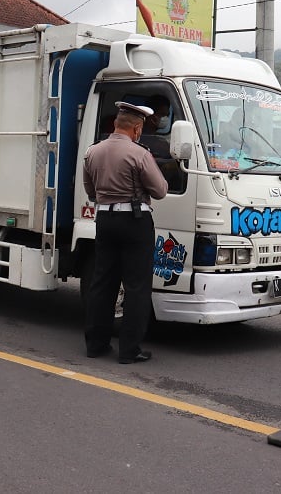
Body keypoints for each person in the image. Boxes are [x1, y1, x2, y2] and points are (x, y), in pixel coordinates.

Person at [83, 101, 169, 364]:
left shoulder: (92, 152)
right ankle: (129, 350)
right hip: (135, 221)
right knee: (136, 287)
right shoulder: (139, 154)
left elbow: (90, 192)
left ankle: (96, 345)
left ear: (115, 125)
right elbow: (161, 190)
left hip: (104, 219)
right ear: (137, 128)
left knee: (102, 283)